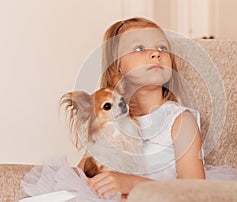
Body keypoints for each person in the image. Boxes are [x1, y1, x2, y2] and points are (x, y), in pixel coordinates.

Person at [78, 17, 206, 199]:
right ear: (118, 65)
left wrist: (132, 183)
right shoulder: (107, 119)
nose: (156, 53)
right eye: (139, 48)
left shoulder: (179, 120)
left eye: (162, 47)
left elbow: (197, 193)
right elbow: (81, 172)